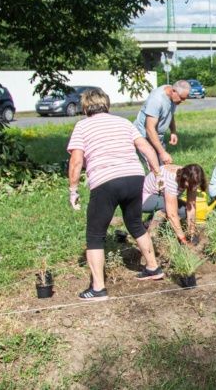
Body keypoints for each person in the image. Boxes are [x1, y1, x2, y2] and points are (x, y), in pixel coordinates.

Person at [67, 89, 165, 301]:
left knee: (94, 235)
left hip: (106, 181)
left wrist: (73, 190)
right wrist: (157, 173)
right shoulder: (123, 122)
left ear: (85, 107)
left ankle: (98, 288)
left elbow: (76, 161)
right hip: (134, 177)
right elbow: (145, 147)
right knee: (136, 223)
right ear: (106, 105)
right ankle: (153, 268)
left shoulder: (82, 126)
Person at [142, 164, 207, 245]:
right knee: (169, 208)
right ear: (185, 178)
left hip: (160, 197)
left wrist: (192, 233)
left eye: (196, 186)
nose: (193, 188)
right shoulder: (172, 179)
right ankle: (151, 233)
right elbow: (172, 214)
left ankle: (149, 222)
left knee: (183, 211)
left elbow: (191, 207)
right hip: (143, 198)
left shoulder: (192, 179)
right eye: (191, 185)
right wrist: (183, 239)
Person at [133, 80, 191, 165]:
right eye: (181, 98)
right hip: (144, 137)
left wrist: (173, 132)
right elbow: (149, 128)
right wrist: (162, 152)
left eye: (185, 98)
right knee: (154, 168)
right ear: (173, 91)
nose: (182, 101)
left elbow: (170, 113)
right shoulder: (157, 100)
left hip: (156, 136)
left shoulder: (172, 95)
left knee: (163, 166)